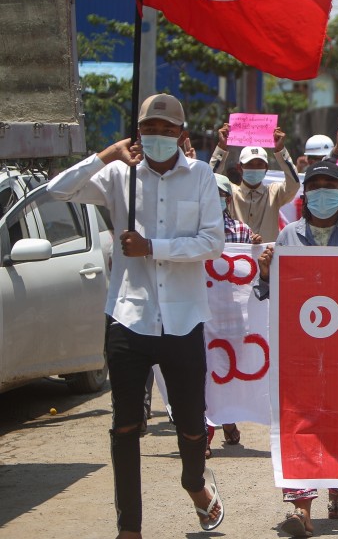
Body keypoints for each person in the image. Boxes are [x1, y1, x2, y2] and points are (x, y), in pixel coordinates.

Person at [48, 93, 225, 537]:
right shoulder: (118, 173)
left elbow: (212, 243)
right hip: (128, 315)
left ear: (182, 134)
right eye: (150, 128)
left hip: (183, 320)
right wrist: (105, 154)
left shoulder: (200, 175)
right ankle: (130, 527)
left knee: (189, 422)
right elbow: (58, 190)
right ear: (138, 132)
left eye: (168, 130)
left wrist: (153, 248)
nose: (159, 136)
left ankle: (194, 483)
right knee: (125, 426)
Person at [254, 160, 338, 537]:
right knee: (301, 424)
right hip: (303, 352)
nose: (322, 192)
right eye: (315, 186)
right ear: (305, 194)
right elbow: (268, 293)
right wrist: (266, 272)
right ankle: (301, 507)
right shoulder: (288, 237)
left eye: (330, 185)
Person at [206, 174, 263, 456]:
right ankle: (203, 432)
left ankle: (227, 421)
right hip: (204, 315)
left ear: (227, 199)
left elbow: (248, 265)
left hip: (233, 316)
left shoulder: (241, 231)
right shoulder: (192, 231)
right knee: (203, 371)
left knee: (226, 371)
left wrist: (256, 247)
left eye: (218, 194)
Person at [210, 122, 300, 242]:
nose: (254, 168)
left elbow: (294, 184)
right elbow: (210, 180)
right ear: (239, 168)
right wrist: (221, 148)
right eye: (250, 164)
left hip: (268, 256)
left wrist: (281, 151)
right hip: (236, 256)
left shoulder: (274, 193)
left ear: (266, 168)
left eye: (259, 164)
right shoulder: (230, 193)